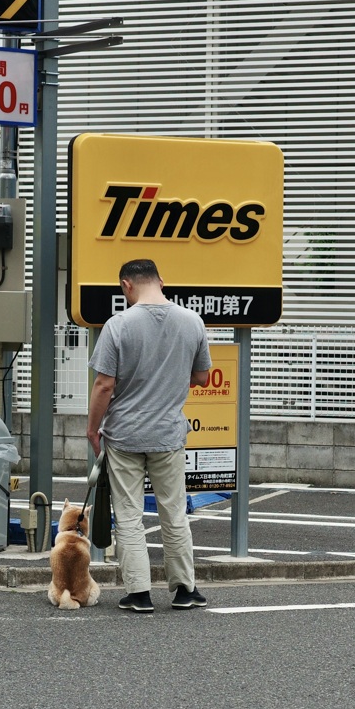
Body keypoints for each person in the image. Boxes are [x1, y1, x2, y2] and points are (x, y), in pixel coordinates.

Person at [87, 258, 212, 613]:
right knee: (174, 512)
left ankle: (139, 593)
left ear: (126, 285)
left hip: (124, 435)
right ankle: (185, 589)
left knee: (128, 514)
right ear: (161, 281)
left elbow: (104, 384)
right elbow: (203, 377)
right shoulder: (191, 321)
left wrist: (92, 428)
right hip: (168, 435)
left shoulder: (119, 325)